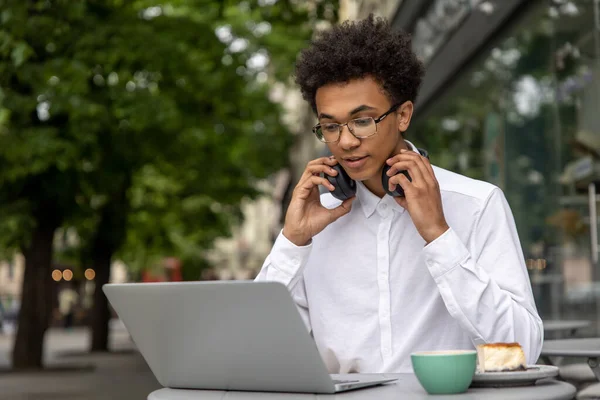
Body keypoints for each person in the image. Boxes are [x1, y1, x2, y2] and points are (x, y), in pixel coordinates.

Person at [254, 14, 543, 374]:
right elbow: (256, 351)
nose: (345, 141)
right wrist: (292, 242)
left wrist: (439, 235)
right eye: (330, 126)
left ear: (403, 115)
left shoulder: (476, 205)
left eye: (362, 121)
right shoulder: (314, 222)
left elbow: (521, 350)